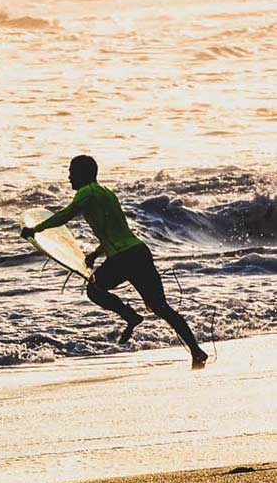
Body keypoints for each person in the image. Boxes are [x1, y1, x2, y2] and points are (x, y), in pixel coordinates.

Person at [22, 155, 207, 368]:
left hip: (122, 258)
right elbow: (117, 229)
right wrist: (95, 254)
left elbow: (64, 216)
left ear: (83, 174)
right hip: (138, 252)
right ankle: (196, 350)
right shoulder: (106, 193)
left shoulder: (86, 192)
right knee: (161, 307)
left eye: (72, 172)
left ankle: (130, 316)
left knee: (93, 289)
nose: (69, 177)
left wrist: (34, 230)